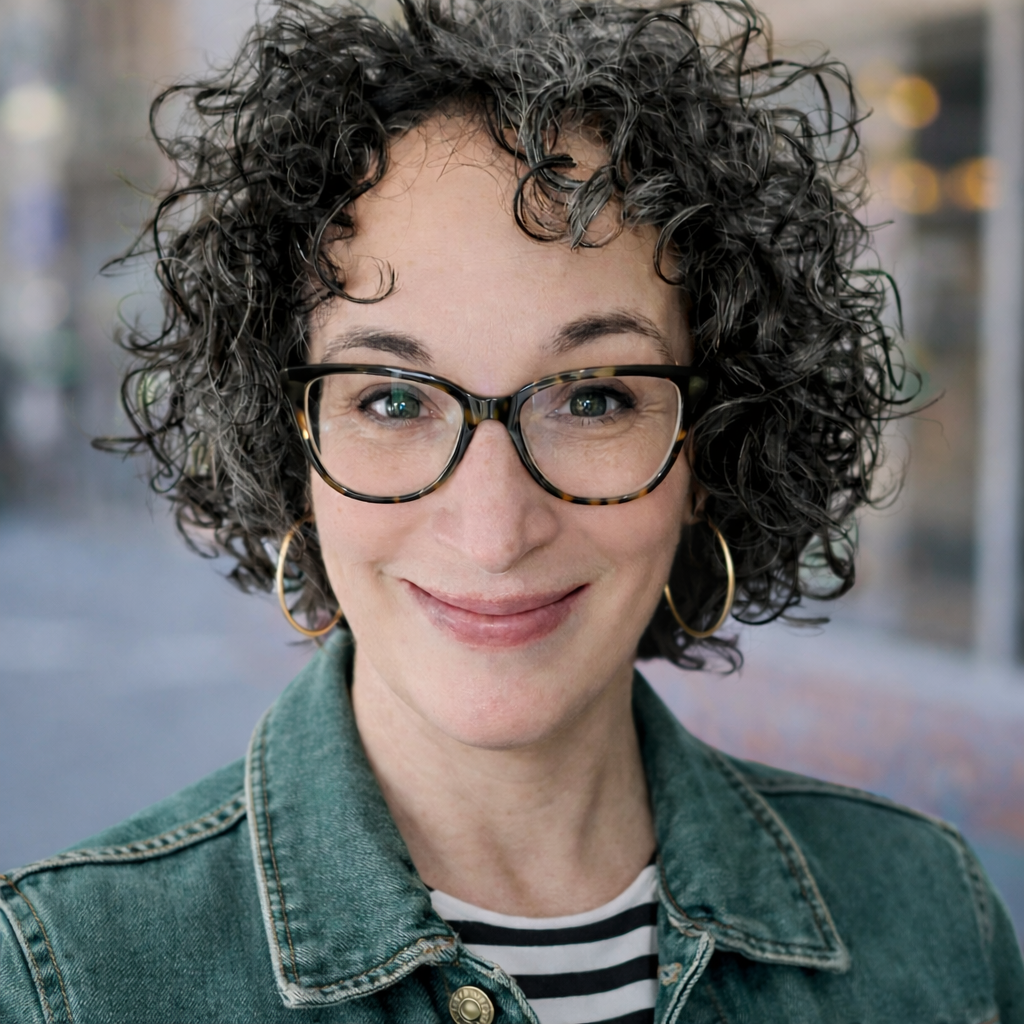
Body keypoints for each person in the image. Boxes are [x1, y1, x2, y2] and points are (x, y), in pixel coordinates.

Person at [2, 0, 1022, 1021]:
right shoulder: (69, 980)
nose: (494, 529)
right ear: (291, 450)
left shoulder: (935, 925)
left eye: (593, 396)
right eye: (392, 399)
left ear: (710, 443)